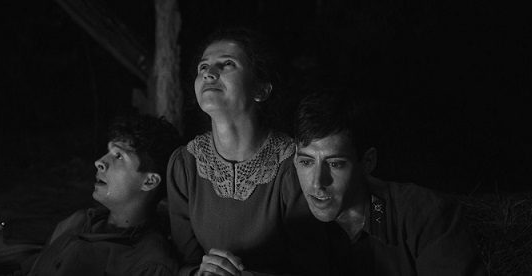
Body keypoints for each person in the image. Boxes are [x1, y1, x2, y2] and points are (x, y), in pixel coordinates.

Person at [0, 114, 182, 276]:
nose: (99, 162)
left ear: (149, 182)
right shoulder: (79, 222)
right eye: (107, 151)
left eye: (118, 156)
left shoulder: (149, 262)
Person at [167, 27, 314, 276]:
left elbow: (313, 266)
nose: (209, 74)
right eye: (203, 67)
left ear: (260, 90)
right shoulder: (185, 165)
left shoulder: (294, 165)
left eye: (227, 64)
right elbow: (184, 264)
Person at [292, 90, 487, 275]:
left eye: (335, 164)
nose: (317, 182)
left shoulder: (427, 217)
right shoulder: (292, 224)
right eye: (306, 162)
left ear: (367, 162)